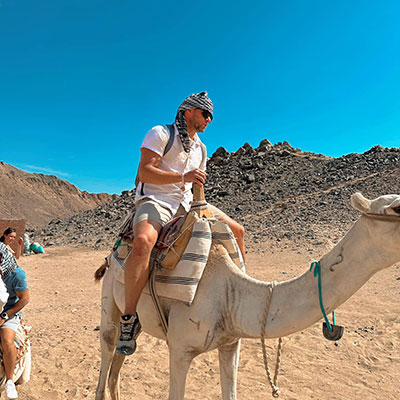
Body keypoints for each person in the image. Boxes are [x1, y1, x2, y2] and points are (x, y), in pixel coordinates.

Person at [117, 91, 245, 356]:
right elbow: (145, 171)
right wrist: (183, 176)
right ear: (188, 112)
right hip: (157, 200)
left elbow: (195, 182)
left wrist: (195, 194)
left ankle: (241, 295)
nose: (209, 119)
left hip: (188, 204)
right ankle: (129, 319)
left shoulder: (201, 148)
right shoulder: (160, 134)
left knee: (238, 231)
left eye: (211, 115)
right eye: (205, 113)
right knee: (142, 242)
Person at [0, 228, 30, 399]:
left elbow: (25, 299)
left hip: (8, 312)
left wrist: (5, 316)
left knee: (6, 339)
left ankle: (10, 381)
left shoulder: (17, 274)